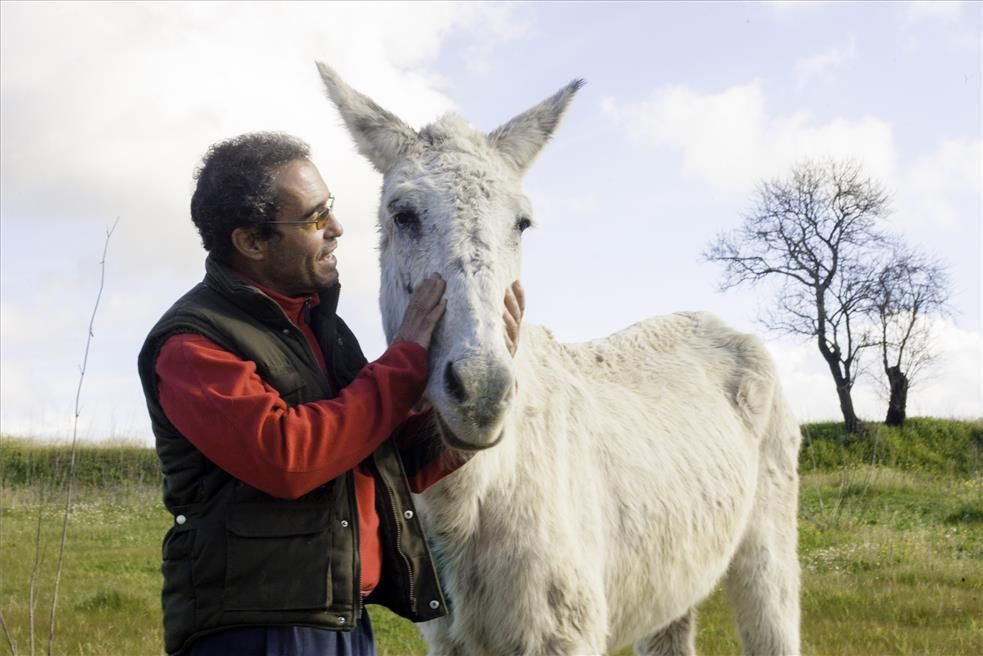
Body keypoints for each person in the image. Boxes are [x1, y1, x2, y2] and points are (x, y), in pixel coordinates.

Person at [137, 132, 524, 656]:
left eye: (332, 210)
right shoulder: (191, 345)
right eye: (315, 219)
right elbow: (287, 458)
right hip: (256, 631)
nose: (338, 230)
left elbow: (380, 459)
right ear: (251, 241)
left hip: (337, 617)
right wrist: (406, 357)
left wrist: (467, 409)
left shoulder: (322, 331)